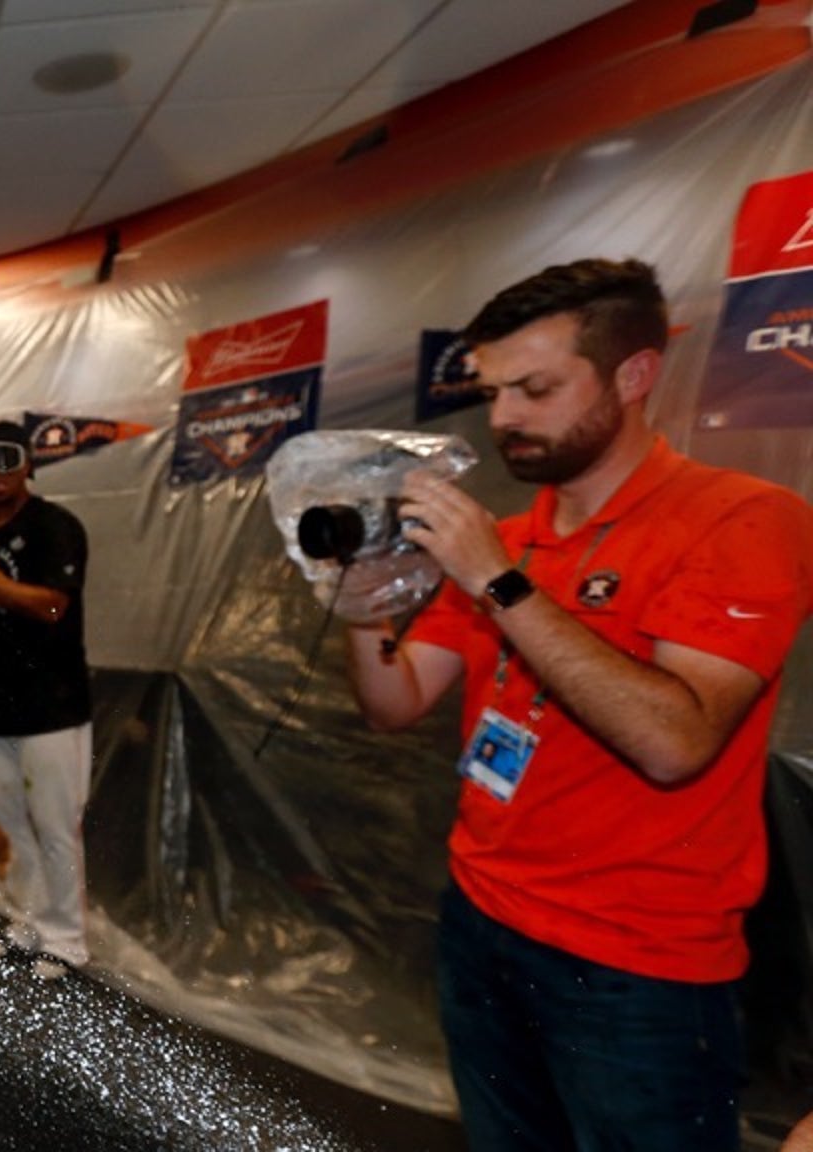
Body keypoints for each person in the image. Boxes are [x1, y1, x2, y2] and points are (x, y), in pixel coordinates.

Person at [342, 258, 813, 1152]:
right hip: (482, 920)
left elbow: (676, 741)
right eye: (493, 392)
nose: (504, 417)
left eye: (536, 389)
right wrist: (361, 602)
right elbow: (393, 704)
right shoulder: (507, 540)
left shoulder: (742, 519)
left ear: (634, 376)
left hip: (636, 967)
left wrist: (497, 584)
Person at [0, 420, 93, 982]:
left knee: (56, 827)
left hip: (52, 711)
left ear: (29, 463)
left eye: (6, 458)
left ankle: (68, 941)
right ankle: (27, 923)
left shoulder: (56, 527)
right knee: (3, 825)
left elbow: (53, 606)